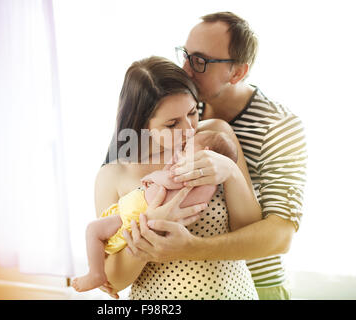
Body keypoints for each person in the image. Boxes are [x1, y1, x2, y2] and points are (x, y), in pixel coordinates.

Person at [121, 12, 307, 300]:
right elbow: (122, 185)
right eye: (185, 55)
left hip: (255, 285)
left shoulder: (278, 127)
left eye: (200, 61)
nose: (185, 69)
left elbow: (280, 236)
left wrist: (191, 248)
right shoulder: (174, 108)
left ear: (237, 73)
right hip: (166, 289)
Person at [96, 55, 263, 300]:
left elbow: (250, 232)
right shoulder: (114, 175)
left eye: (193, 112)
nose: (189, 129)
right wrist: (150, 228)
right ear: (143, 124)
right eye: (172, 123)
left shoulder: (215, 137)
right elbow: (113, 280)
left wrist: (231, 172)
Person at [72, 130, 246, 293]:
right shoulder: (211, 183)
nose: (182, 149)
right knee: (102, 239)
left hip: (134, 214)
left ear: (206, 153)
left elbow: (171, 180)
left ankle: (95, 273)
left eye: (187, 149)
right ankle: (97, 271)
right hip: (137, 219)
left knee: (93, 230)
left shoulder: (192, 172)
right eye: (171, 123)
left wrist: (152, 177)